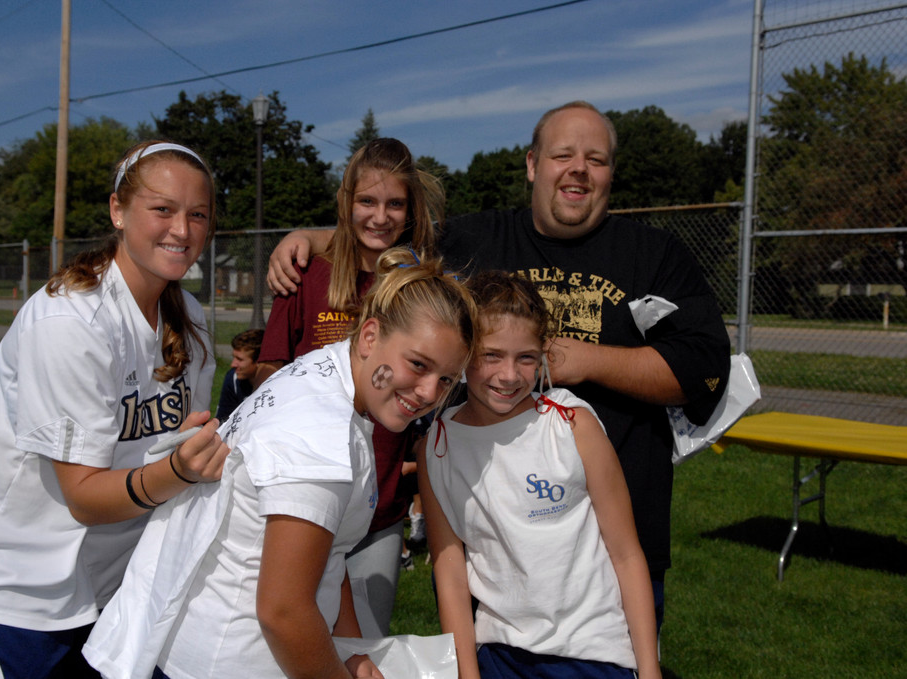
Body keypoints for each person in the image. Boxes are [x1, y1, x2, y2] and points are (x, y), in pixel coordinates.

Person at [266, 101, 732, 629]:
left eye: (595, 159)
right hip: (489, 540)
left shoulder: (655, 255)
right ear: (533, 165)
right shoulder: (475, 241)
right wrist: (308, 239)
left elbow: (702, 368)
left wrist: (585, 360)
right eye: (563, 155)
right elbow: (383, 238)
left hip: (611, 543)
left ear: (611, 173)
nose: (578, 169)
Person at [82, 247, 477, 679]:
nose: (426, 393)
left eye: (445, 380)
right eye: (417, 364)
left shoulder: (326, 375)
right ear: (369, 336)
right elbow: (283, 611)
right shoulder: (319, 434)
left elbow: (327, 555)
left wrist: (352, 650)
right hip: (230, 661)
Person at [0, 140, 231, 678]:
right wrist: (180, 470)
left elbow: (172, 439)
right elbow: (86, 498)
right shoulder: (70, 320)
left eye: (198, 214)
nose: (182, 231)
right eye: (162, 209)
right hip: (15, 594)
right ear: (118, 210)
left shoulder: (189, 313)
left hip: (109, 590)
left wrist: (187, 451)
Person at [419, 270, 661, 679]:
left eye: (525, 358)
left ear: (543, 355)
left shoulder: (571, 425)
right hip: (498, 656)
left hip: (594, 653)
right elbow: (450, 571)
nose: (509, 375)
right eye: (491, 355)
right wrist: (466, 673)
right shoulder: (438, 445)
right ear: (463, 352)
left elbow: (626, 553)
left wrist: (650, 671)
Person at [258, 137, 443, 636]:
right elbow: (267, 374)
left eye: (395, 204)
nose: (380, 216)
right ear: (346, 202)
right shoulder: (306, 272)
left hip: (379, 510)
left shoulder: (420, 286)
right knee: (291, 646)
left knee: (364, 646)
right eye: (367, 201)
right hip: (306, 502)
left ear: (411, 210)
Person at [215, 328, 268, 420]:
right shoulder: (233, 379)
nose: (232, 364)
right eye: (234, 357)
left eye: (239, 359)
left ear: (259, 361)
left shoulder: (276, 383)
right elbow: (222, 421)